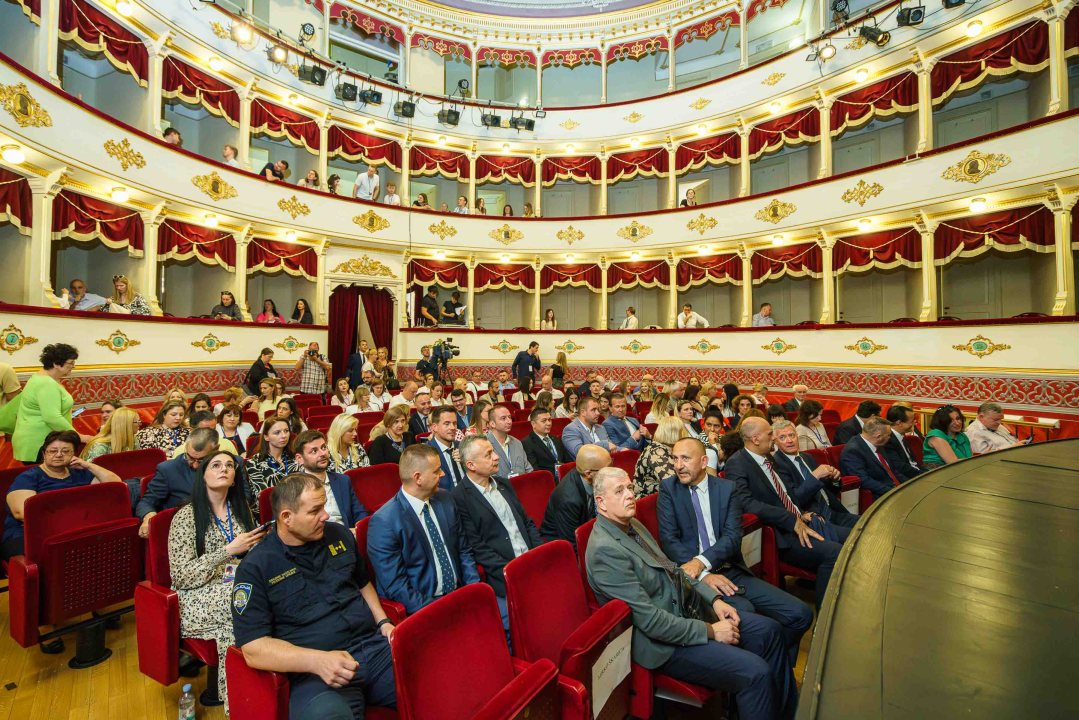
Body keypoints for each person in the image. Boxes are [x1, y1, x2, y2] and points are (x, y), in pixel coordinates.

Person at [586, 465, 797, 720]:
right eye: (619, 491)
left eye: (630, 487)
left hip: (685, 610)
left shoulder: (632, 525)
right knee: (756, 673)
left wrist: (714, 599)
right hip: (662, 643)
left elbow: (673, 570)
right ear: (601, 502)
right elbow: (651, 622)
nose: (630, 494)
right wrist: (712, 631)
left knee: (770, 631)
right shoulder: (605, 551)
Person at [231, 474, 397, 720]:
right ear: (287, 517)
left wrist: (383, 622)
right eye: (315, 510)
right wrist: (316, 661)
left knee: (441, 682)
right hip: (316, 676)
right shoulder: (256, 567)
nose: (326, 515)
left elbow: (362, 583)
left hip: (373, 649)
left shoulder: (338, 535)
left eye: (325, 506)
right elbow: (253, 648)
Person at [660, 438, 814, 667]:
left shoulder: (725, 488)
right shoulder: (669, 489)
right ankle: (769, 675)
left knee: (801, 614)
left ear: (704, 462)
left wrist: (702, 562)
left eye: (685, 458)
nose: (678, 465)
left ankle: (777, 667)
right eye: (675, 458)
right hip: (698, 580)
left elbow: (732, 538)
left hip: (730, 569)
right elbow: (669, 541)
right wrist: (703, 574)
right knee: (748, 618)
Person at [168, 450, 266, 713]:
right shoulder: (186, 516)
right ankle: (240, 705)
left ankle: (257, 695)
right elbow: (181, 576)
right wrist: (227, 552)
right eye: (215, 465)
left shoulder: (241, 510)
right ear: (203, 476)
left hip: (236, 588)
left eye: (229, 466)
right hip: (195, 596)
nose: (223, 469)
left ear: (234, 478)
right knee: (243, 604)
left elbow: (253, 555)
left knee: (252, 602)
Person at [727, 417, 849, 610]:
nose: (773, 438)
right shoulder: (737, 464)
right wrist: (791, 518)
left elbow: (784, 494)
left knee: (854, 537)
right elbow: (745, 503)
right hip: (780, 533)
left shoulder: (768, 458)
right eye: (770, 435)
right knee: (834, 553)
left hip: (801, 520)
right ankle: (826, 618)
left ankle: (845, 602)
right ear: (756, 439)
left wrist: (801, 512)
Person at [367, 444, 482, 615]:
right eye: (436, 471)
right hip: (426, 608)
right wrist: (442, 610)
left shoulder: (445, 500)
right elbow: (396, 586)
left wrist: (474, 590)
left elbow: (463, 550)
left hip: (462, 595)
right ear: (418, 478)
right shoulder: (385, 522)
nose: (442, 474)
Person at [451, 435, 544, 630]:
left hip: (534, 563)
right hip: (505, 574)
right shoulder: (459, 498)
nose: (496, 457)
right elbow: (478, 547)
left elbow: (526, 523)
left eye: (493, 451)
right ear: (471, 465)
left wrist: (540, 554)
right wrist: (513, 572)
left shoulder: (504, 484)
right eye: (489, 454)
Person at [3, 431, 123, 560]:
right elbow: (22, 513)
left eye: (66, 451)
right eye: (53, 451)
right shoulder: (29, 478)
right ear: (44, 454)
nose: (59, 455)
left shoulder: (80, 474)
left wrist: (88, 465)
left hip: (74, 530)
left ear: (73, 454)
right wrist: (74, 518)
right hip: (28, 534)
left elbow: (116, 487)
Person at [770, 420, 858, 532]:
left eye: (792, 435)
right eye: (782, 437)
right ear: (775, 442)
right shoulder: (777, 465)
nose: (789, 440)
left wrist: (835, 479)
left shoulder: (807, 457)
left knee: (870, 524)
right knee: (856, 537)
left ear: (797, 436)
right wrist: (815, 476)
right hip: (816, 519)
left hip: (833, 511)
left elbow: (828, 490)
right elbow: (795, 500)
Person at [11, 344, 93, 462]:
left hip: (36, 439)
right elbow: (52, 418)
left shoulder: (41, 377)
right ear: (56, 364)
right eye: (70, 363)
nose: (73, 367)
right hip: (39, 443)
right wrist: (79, 437)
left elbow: (43, 407)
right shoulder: (46, 384)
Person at [136, 428, 222, 536]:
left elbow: (243, 497)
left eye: (201, 460)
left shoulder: (231, 465)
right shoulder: (169, 469)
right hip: (185, 530)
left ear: (217, 449)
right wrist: (149, 517)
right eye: (190, 458)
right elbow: (147, 502)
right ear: (186, 447)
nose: (195, 465)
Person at [540, 444, 610, 550]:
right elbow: (573, 545)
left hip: (590, 529)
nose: (611, 473)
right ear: (589, 473)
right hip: (562, 543)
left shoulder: (589, 477)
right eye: (606, 470)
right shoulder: (568, 500)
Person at [293, 431, 368, 528]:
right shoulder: (292, 488)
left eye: (323, 447)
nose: (322, 453)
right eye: (314, 451)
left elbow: (359, 512)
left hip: (346, 535)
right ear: (300, 459)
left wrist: (358, 529)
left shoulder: (343, 480)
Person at [839, 415, 903, 501]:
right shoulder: (852, 451)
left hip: (896, 488)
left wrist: (910, 484)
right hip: (881, 495)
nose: (889, 438)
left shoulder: (878, 444)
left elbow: (892, 470)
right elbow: (864, 480)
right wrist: (893, 492)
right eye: (888, 435)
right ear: (878, 436)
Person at [245, 418, 297, 498]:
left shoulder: (296, 458)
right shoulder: (254, 462)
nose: (284, 436)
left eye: (286, 431)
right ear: (266, 437)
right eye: (277, 433)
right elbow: (263, 495)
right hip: (270, 507)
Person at [521, 406, 570, 483]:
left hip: (565, 479)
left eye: (549, 420)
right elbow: (535, 471)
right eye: (544, 421)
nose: (549, 423)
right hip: (547, 482)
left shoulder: (556, 439)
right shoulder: (527, 443)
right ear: (533, 424)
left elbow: (567, 461)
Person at [485, 405, 533, 477]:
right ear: (492, 424)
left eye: (509, 417)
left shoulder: (517, 443)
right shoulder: (484, 444)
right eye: (503, 418)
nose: (509, 421)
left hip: (522, 485)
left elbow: (528, 470)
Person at [883, 405, 925, 480]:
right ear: (899, 423)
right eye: (912, 421)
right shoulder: (887, 440)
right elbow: (899, 466)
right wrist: (923, 475)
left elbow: (913, 462)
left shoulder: (902, 436)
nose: (914, 424)